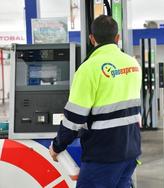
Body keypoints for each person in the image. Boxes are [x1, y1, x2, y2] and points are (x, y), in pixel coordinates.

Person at [49, 15, 142, 188]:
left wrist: (57, 145)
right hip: (130, 150)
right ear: (117, 38)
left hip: (103, 155)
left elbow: (74, 118)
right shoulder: (133, 64)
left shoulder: (88, 68)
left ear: (92, 38)